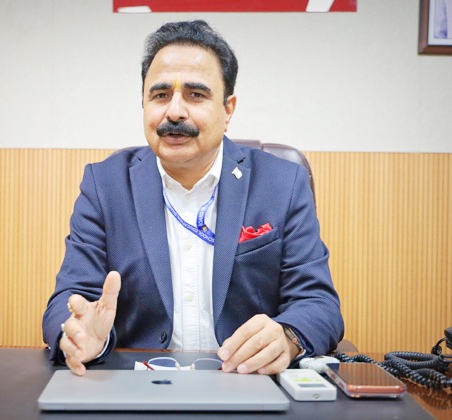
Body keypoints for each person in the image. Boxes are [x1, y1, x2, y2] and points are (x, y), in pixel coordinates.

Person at [43, 20, 344, 376]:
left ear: (228, 109)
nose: (174, 112)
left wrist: (288, 336)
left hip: (247, 379)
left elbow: (319, 304)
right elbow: (69, 300)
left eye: (195, 95)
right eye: (160, 95)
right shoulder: (105, 186)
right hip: (137, 383)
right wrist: (79, 335)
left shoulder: (281, 183)